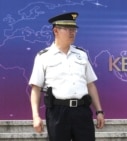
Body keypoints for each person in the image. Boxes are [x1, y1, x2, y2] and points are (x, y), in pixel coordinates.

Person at [29, 12, 105, 141]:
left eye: (74, 29)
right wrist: (36, 116)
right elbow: (36, 88)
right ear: (56, 31)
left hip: (82, 111)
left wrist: (99, 111)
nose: (72, 32)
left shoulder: (81, 54)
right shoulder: (43, 56)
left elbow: (90, 84)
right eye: (68, 29)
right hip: (58, 112)